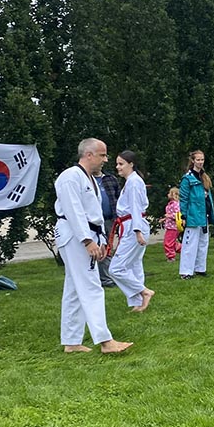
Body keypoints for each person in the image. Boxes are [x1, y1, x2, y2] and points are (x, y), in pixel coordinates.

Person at [54, 138, 132, 354]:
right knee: (91, 287)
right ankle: (105, 341)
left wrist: (101, 240)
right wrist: (87, 240)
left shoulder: (89, 178)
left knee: (74, 288)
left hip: (88, 233)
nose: (106, 160)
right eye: (102, 155)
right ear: (88, 154)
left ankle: (71, 341)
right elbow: (74, 211)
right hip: (75, 235)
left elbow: (94, 214)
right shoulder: (70, 177)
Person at [107, 150, 154, 312]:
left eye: (121, 164)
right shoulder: (132, 181)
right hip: (132, 224)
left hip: (134, 226)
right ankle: (138, 302)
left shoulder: (134, 182)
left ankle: (143, 291)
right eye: (117, 164)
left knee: (116, 268)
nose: (117, 167)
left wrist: (137, 231)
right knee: (134, 264)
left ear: (131, 164)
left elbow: (135, 207)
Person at [179, 150, 214, 279]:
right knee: (190, 243)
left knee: (203, 242)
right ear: (193, 161)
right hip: (193, 215)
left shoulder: (204, 177)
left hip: (204, 214)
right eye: (198, 160)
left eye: (202, 159)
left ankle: (200, 268)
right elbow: (184, 199)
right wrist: (183, 215)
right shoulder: (187, 178)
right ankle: (186, 271)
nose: (200, 162)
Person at [95, 165, 120, 287]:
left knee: (108, 247)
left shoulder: (110, 179)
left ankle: (106, 277)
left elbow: (118, 198)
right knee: (97, 247)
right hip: (94, 222)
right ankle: (102, 278)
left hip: (109, 219)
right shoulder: (85, 179)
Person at [162, 186, 182, 261]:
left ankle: (171, 256)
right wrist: (164, 219)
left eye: (169, 193)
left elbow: (178, 215)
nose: (168, 194)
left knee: (168, 242)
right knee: (171, 242)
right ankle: (184, 249)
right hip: (170, 226)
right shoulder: (170, 204)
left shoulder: (176, 204)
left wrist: (169, 216)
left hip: (173, 227)